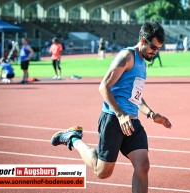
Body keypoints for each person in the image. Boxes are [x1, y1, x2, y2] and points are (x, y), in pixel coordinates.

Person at [51, 21, 172, 193]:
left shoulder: (143, 63)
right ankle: (72, 139)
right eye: (154, 47)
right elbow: (103, 86)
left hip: (132, 122)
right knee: (102, 172)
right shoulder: (127, 56)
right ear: (143, 41)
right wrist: (121, 115)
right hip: (114, 119)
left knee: (143, 166)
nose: (155, 52)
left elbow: (135, 95)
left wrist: (151, 114)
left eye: (159, 49)